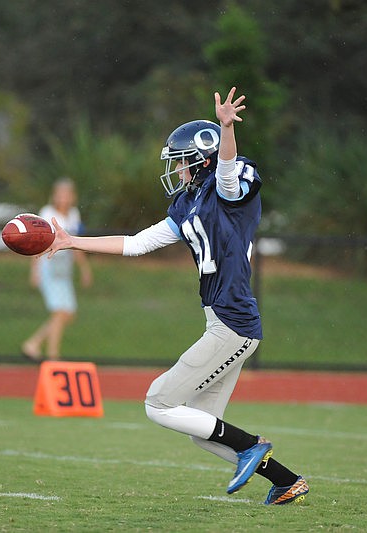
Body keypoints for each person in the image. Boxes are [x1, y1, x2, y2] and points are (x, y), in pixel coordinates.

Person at [45, 88, 308, 505]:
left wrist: (225, 129)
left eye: (182, 162)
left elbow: (225, 172)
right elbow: (136, 244)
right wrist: (73, 241)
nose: (178, 171)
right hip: (225, 322)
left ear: (201, 159)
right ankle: (286, 480)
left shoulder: (230, 189)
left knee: (158, 402)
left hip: (232, 321)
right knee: (202, 429)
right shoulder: (187, 205)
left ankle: (251, 445)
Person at [22, 178, 92, 361]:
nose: (64, 198)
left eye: (67, 195)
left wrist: (84, 269)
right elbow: (34, 242)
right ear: (54, 196)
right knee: (60, 312)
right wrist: (34, 270)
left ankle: (33, 344)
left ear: (73, 197)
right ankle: (53, 357)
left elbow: (75, 244)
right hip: (48, 265)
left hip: (64, 269)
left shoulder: (73, 215)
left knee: (68, 314)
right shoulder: (47, 213)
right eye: (60, 194)